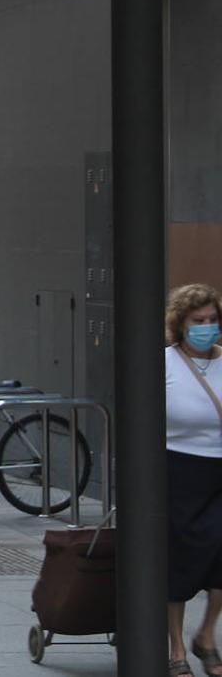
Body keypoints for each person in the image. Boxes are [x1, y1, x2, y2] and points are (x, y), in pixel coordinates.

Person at [166, 284, 222, 677]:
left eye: (213, 320)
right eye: (197, 321)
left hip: (219, 469)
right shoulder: (163, 364)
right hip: (177, 470)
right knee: (180, 559)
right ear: (180, 324)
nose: (207, 328)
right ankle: (177, 648)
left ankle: (206, 634)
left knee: (220, 554)